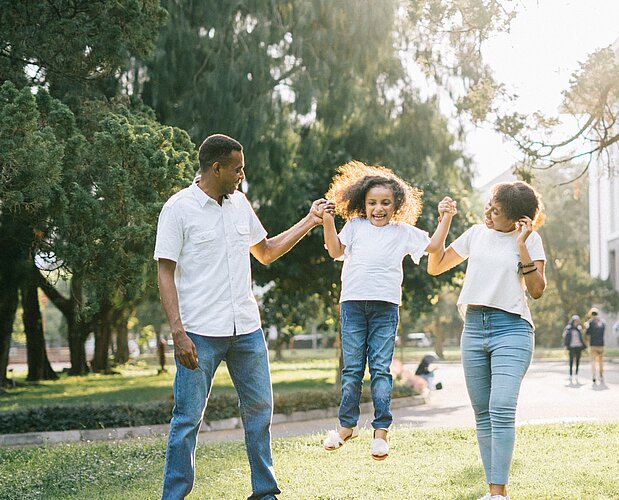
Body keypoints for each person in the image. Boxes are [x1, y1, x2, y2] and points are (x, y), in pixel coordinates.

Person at [154, 133, 328, 499]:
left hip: (246, 329)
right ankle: (174, 496)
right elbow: (165, 272)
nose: (241, 175)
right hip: (199, 332)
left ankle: (264, 492)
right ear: (215, 168)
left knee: (260, 410)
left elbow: (264, 252)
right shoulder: (178, 209)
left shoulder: (239, 204)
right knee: (187, 418)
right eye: (237, 169)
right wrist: (177, 332)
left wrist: (309, 221)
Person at [427, 181, 547, 500]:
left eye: (497, 211)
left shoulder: (531, 239)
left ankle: (498, 493)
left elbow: (536, 290)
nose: (489, 213)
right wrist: (445, 220)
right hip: (474, 328)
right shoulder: (476, 234)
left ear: (518, 220)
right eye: (490, 205)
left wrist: (521, 245)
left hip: (513, 329)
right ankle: (495, 492)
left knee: (501, 406)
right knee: (483, 412)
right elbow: (435, 266)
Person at [320, 161, 441, 461]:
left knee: (380, 370)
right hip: (352, 306)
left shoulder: (402, 232)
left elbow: (435, 247)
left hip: (385, 308)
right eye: (372, 202)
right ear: (363, 203)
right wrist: (326, 220)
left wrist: (446, 218)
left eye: (385, 203)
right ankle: (347, 426)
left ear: (396, 204)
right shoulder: (356, 226)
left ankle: (381, 433)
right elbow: (335, 250)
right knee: (351, 370)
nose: (378, 208)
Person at [585, 308, 606, 384]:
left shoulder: (590, 322)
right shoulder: (602, 322)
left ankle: (594, 376)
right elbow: (603, 331)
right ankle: (601, 375)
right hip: (601, 344)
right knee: (600, 361)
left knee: (593, 361)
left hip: (593, 344)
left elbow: (587, 333)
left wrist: (587, 326)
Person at [562, 315, 585, 384]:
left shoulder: (579, 328)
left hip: (578, 346)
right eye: (575, 321)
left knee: (578, 361)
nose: (576, 322)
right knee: (571, 361)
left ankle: (576, 374)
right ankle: (570, 375)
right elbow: (564, 336)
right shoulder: (568, 328)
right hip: (571, 347)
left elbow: (581, 338)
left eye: (577, 321)